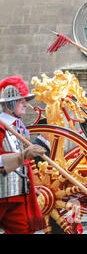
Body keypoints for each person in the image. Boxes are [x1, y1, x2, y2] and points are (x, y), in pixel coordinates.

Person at [0, 75, 46, 234]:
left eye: (26, 100)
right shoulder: (1, 127)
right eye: (21, 100)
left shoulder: (17, 128)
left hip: (16, 194)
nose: (26, 104)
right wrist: (23, 155)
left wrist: (31, 186)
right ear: (10, 103)